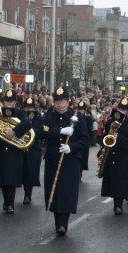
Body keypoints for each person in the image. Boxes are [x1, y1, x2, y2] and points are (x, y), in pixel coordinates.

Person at [41, 87, 89, 236]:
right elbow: (41, 131)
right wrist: (60, 131)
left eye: (61, 101)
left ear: (68, 101)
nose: (59, 103)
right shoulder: (49, 116)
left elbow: (85, 139)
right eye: (56, 101)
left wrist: (71, 147)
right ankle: (57, 223)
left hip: (70, 160)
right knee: (54, 191)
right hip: (53, 159)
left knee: (66, 191)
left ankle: (63, 223)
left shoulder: (77, 117)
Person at [0, 88, 31, 214]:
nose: (8, 104)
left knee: (12, 178)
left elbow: (27, 124)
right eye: (6, 101)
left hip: (15, 150)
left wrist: (14, 131)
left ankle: (10, 204)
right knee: (3, 179)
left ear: (15, 102)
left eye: (11, 101)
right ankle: (6, 201)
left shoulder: (20, 113)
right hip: (1, 149)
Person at [100, 98, 128, 215]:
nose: (122, 112)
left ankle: (118, 205)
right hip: (111, 156)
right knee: (113, 182)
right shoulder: (110, 122)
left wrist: (118, 137)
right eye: (120, 109)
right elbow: (104, 139)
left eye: (124, 110)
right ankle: (116, 204)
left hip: (124, 157)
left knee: (121, 182)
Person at [22, 97, 43, 204]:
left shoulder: (39, 117)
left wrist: (30, 123)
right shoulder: (21, 116)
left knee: (30, 173)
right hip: (21, 147)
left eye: (31, 108)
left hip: (33, 148)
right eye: (27, 108)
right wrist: (27, 120)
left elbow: (41, 133)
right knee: (22, 172)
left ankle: (27, 195)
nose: (29, 110)